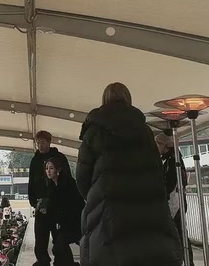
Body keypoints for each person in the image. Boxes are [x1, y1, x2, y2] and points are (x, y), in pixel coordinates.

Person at [76, 82, 183, 266]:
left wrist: (98, 196)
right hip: (147, 206)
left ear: (104, 99)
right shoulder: (145, 131)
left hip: (110, 210)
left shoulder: (94, 131)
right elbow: (157, 169)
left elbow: (82, 178)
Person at [29, 130, 72, 266]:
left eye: (42, 142)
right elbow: (31, 182)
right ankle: (42, 261)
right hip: (41, 205)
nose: (40, 146)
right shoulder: (35, 160)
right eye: (38, 143)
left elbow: (67, 179)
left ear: (49, 142)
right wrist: (33, 202)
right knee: (40, 238)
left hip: (57, 205)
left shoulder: (59, 158)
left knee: (59, 238)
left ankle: (62, 262)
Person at [156, 132, 194, 266]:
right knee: (180, 233)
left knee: (179, 234)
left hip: (175, 203)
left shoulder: (172, 161)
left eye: (157, 144)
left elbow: (170, 183)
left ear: (164, 145)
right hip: (178, 201)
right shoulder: (173, 159)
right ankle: (187, 261)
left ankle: (186, 262)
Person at [44, 157, 84, 266]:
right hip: (62, 223)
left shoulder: (68, 183)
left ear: (58, 170)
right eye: (46, 168)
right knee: (58, 247)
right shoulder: (51, 186)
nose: (48, 171)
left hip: (75, 222)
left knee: (60, 245)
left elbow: (74, 206)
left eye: (51, 168)